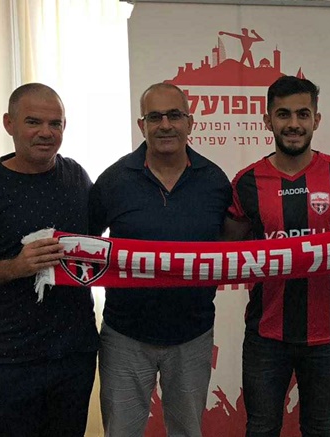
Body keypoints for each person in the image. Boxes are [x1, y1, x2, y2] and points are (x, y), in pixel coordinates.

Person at [223, 75, 330, 437]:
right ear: (268, 120)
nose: (293, 124)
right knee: (262, 428)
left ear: (316, 120)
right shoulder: (246, 182)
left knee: (320, 429)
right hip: (265, 335)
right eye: (283, 114)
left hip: (326, 335)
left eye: (303, 114)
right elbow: (223, 252)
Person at [0, 83, 99, 436]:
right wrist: (15, 267)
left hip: (72, 355)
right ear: (9, 123)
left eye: (55, 123)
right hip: (5, 360)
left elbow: (97, 244)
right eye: (34, 122)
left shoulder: (76, 177)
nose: (46, 132)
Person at [89, 83, 231, 436]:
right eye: (155, 117)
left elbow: (232, 248)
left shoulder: (215, 181)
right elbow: (84, 247)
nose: (165, 125)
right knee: (121, 432)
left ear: (190, 122)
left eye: (174, 116)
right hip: (125, 335)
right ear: (142, 125)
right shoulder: (113, 180)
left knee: (187, 431)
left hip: (193, 335)